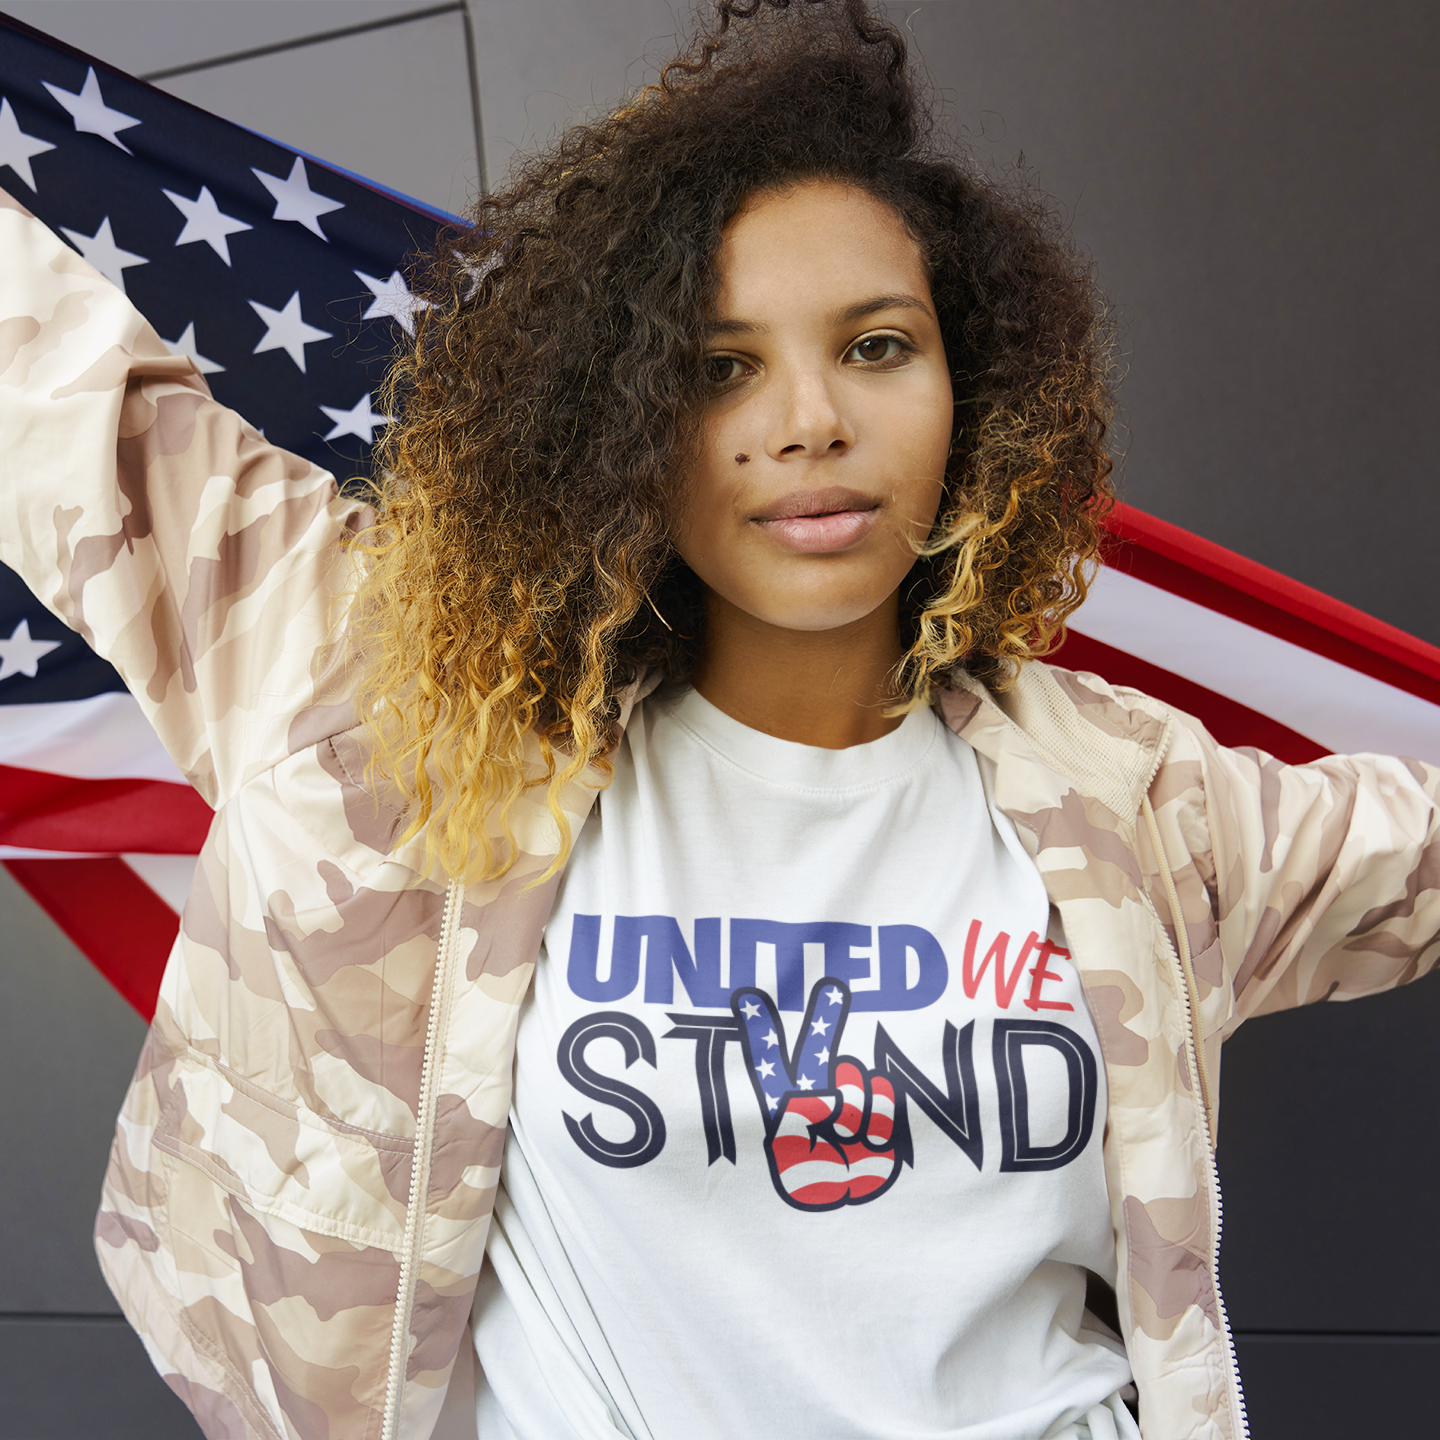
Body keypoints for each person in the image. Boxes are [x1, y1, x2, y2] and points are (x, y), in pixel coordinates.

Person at [0, 2, 1435, 1438]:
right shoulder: (403, 708)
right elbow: (67, 408)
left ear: (972, 389)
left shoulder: (1140, 804)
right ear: (616, 417)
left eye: (877, 347)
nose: (808, 420)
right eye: (718, 365)